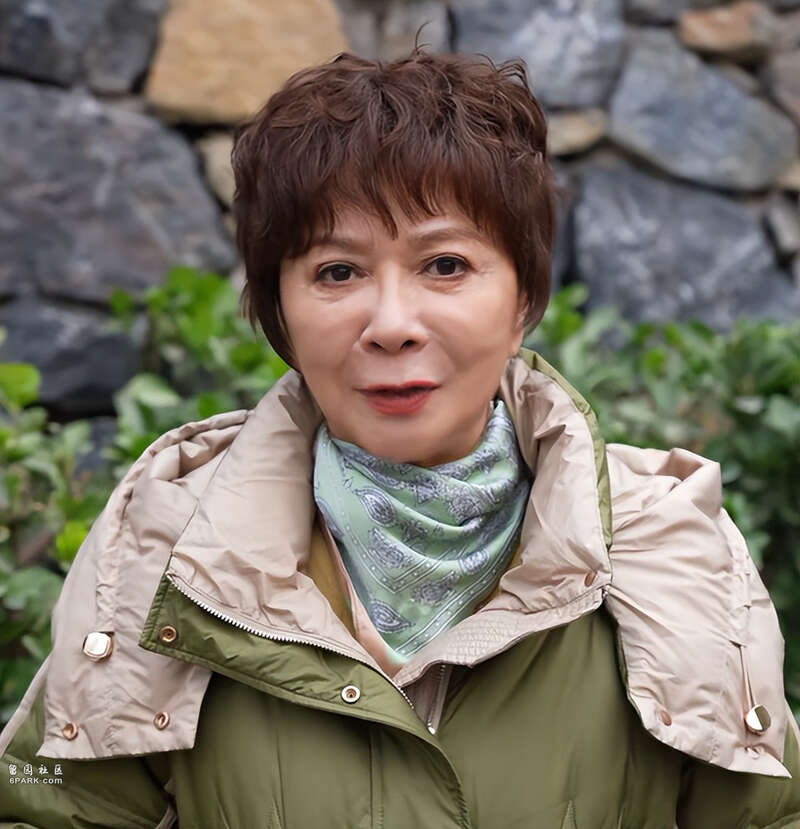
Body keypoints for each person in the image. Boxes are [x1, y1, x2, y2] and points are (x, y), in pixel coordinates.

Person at [1, 46, 799, 829]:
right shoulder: (172, 546)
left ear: (523, 299)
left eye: (445, 264)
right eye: (337, 272)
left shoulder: (666, 544)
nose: (390, 324)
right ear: (279, 311)